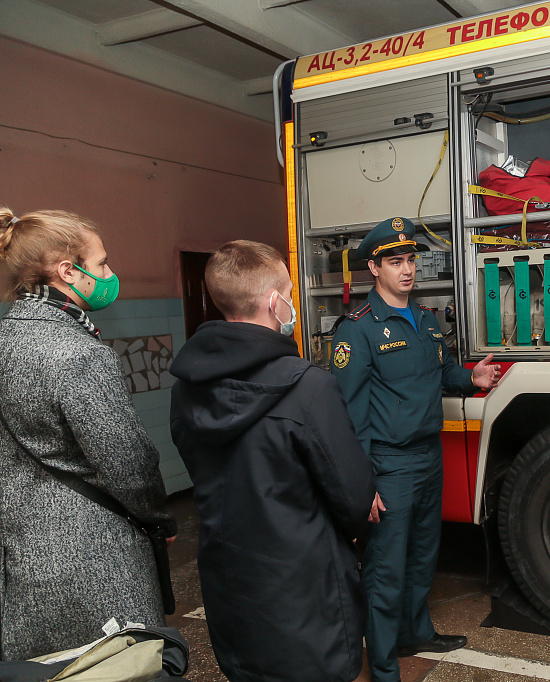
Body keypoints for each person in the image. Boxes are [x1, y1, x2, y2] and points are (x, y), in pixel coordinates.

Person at [169, 240, 375, 682]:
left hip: (232, 587)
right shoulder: (308, 388)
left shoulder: (185, 387)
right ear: (273, 302)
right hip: (306, 592)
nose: (293, 301)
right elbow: (354, 497)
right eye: (289, 291)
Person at [0, 207, 176, 660]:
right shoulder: (78, 352)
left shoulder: (6, 339)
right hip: (94, 559)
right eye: (101, 264)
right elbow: (127, 461)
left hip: (22, 554)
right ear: (66, 271)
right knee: (115, 665)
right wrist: (158, 518)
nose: (109, 273)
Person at [331, 217, 501, 682]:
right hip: (389, 464)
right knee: (385, 570)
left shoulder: (425, 321)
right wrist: (363, 484)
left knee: (424, 556)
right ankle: (384, 665)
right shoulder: (358, 330)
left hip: (429, 457)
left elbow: (442, 373)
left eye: (410, 259)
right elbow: (350, 415)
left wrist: (472, 378)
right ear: (374, 268)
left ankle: (414, 633)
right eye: (394, 261)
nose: (407, 269)